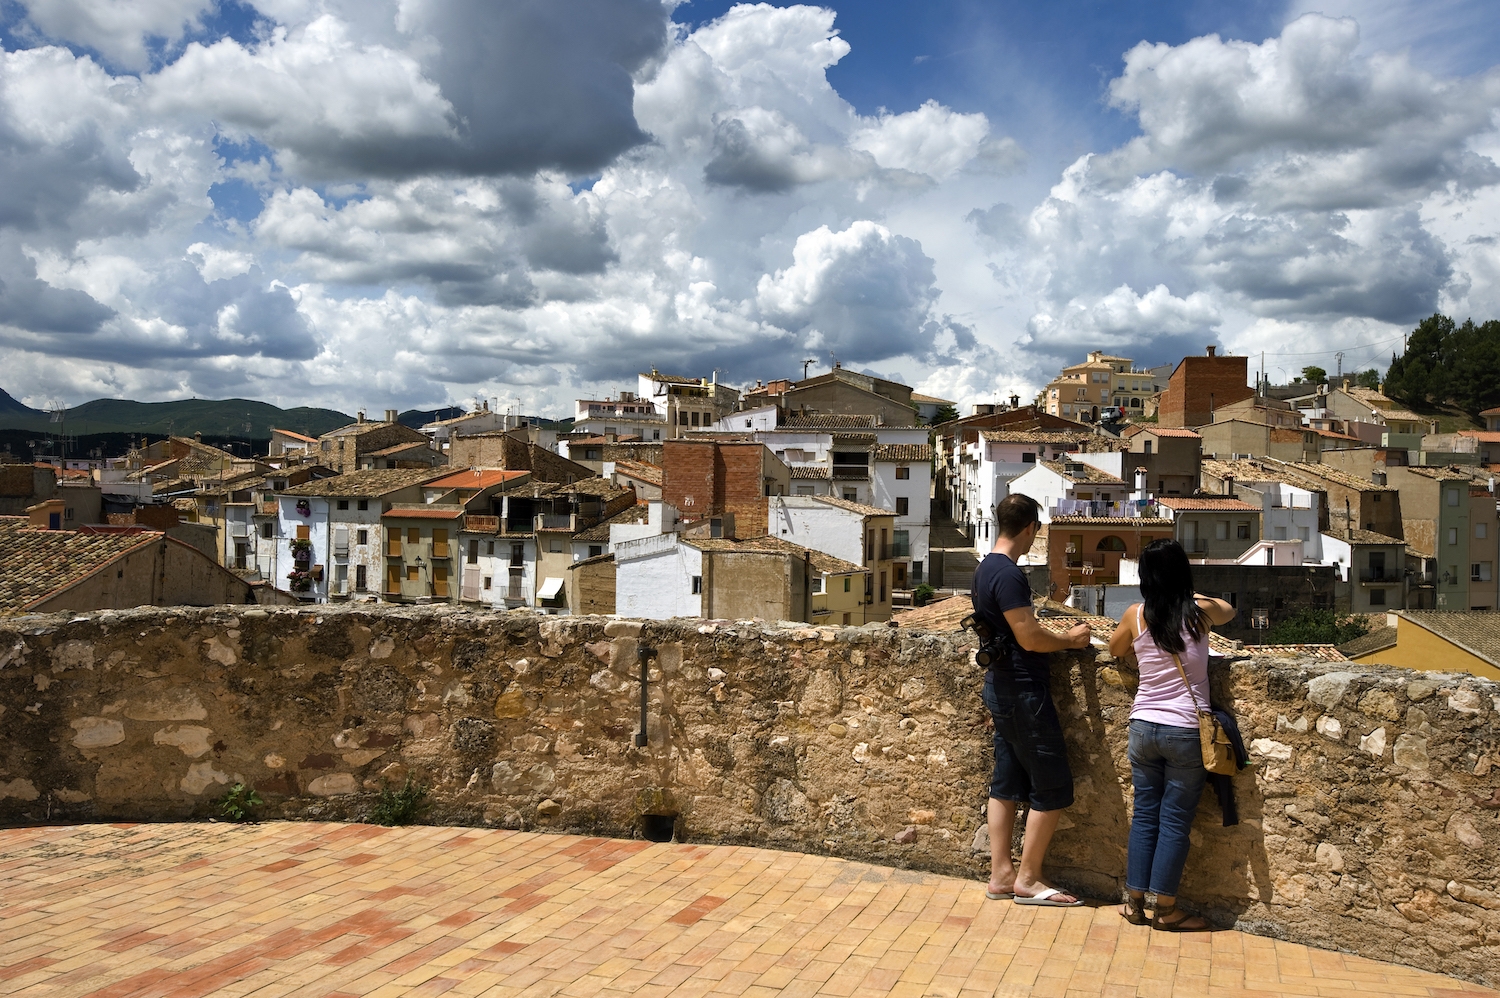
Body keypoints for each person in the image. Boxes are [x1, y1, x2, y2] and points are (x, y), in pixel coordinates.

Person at [1107, 539, 1236, 931]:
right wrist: (1187, 592)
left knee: (1145, 815)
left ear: (1145, 578)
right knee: (1175, 820)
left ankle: (1133, 904)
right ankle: (1166, 910)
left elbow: (1115, 648)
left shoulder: (1136, 614)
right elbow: (1230, 610)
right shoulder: (1199, 614)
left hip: (1143, 725)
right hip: (1184, 730)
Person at [973, 493, 1092, 906]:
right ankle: (1029, 878)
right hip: (1023, 688)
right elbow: (1028, 636)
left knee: (1006, 780)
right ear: (1029, 528)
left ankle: (1001, 874)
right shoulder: (1007, 574)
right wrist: (1071, 640)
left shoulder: (984, 568)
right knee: (1053, 784)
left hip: (1002, 684)